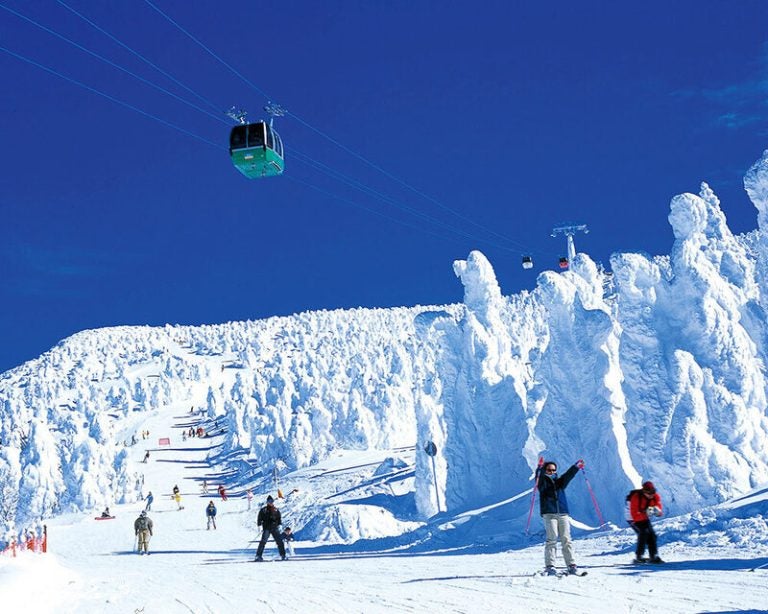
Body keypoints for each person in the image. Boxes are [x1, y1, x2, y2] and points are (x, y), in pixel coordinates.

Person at [537, 458, 583, 575]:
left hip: (562, 513)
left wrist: (576, 467)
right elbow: (539, 478)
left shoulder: (559, 482)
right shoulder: (542, 483)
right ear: (545, 470)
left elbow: (568, 475)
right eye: (548, 470)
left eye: (553, 470)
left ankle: (571, 565)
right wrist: (540, 468)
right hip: (549, 514)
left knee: (566, 539)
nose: (551, 472)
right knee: (552, 539)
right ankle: (550, 566)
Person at [627, 481, 664, 563]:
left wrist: (658, 511)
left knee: (652, 535)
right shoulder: (636, 497)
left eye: (653, 492)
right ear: (644, 492)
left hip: (644, 516)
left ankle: (653, 556)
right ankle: (639, 556)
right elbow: (634, 514)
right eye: (648, 493)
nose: (651, 495)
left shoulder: (655, 497)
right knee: (644, 533)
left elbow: (659, 509)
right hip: (631, 517)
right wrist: (646, 512)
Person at [254, 495, 286, 561]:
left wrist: (279, 525)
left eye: (272, 501)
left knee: (280, 542)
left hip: (275, 528)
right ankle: (258, 556)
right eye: (269, 501)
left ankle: (283, 555)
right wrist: (259, 525)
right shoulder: (263, 510)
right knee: (263, 541)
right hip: (267, 528)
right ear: (267, 502)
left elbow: (279, 518)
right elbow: (259, 518)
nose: (270, 503)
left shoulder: (276, 510)